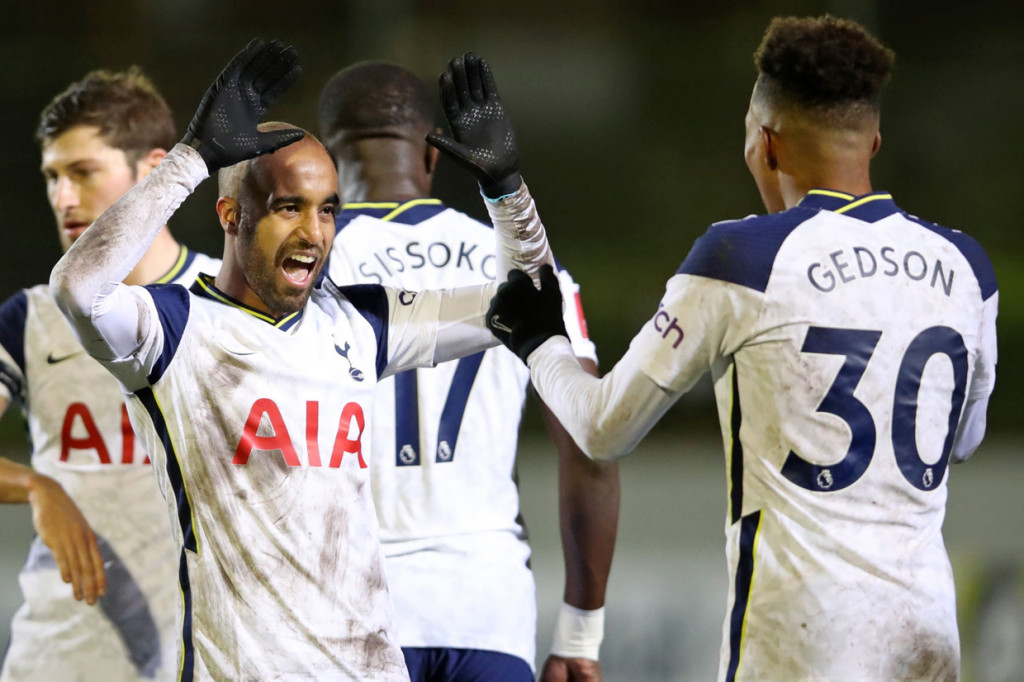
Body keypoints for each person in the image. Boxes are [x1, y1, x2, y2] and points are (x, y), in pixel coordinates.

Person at [483, 16, 997, 681]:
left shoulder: (744, 255)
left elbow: (603, 430)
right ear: (873, 140)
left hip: (801, 636)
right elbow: (964, 439)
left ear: (764, 143)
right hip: (928, 633)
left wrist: (538, 341)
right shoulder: (966, 265)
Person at [48, 40, 560, 680]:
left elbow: (533, 303)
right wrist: (193, 159)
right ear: (231, 215)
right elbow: (77, 289)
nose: (314, 232)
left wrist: (507, 193)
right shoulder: (174, 329)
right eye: (288, 207)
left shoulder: (357, 323)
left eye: (328, 210)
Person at [318, 61, 619, 681]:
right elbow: (591, 442)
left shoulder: (298, 270)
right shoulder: (524, 265)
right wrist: (580, 633)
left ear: (327, 161)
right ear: (430, 158)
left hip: (345, 607)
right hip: (486, 607)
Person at [0, 68, 220, 681]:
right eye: (52, 176)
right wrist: (40, 489)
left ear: (152, 172)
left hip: (208, 657)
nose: (63, 198)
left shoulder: (229, 307)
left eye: (83, 172)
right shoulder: (32, 317)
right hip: (63, 660)